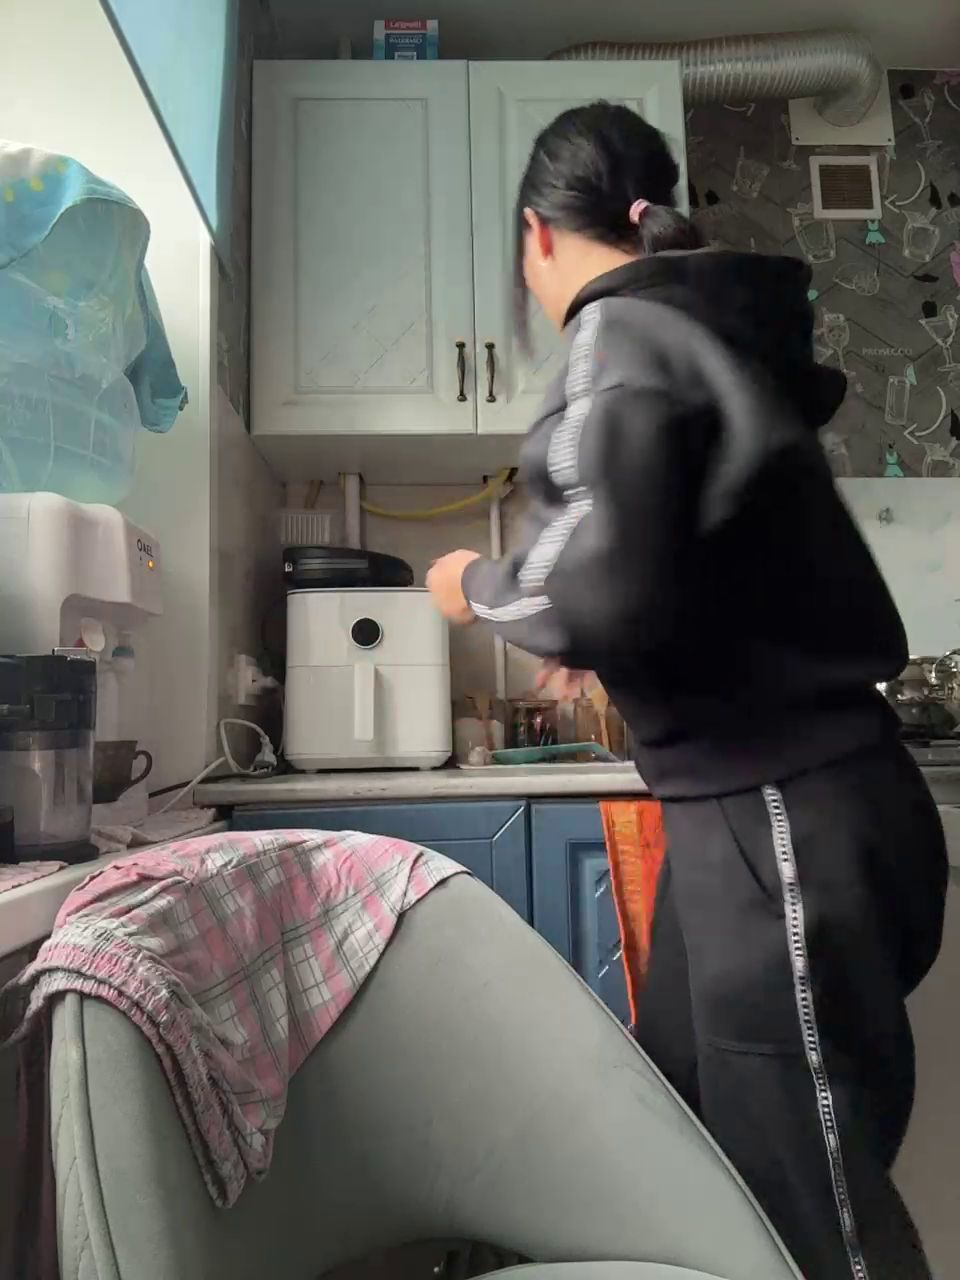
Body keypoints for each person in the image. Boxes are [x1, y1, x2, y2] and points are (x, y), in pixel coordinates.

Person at [426, 102, 947, 1280]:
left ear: (537, 234)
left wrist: (471, 585)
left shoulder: (617, 334)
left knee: (812, 1212)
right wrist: (611, 625)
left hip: (779, 817)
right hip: (801, 811)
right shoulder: (703, 336)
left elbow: (588, 585)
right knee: (687, 1122)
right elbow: (671, 565)